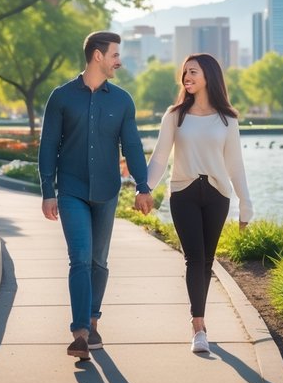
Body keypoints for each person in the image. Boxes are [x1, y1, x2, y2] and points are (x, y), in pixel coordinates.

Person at [39, 31, 154, 361]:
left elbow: (131, 146)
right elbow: (48, 146)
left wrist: (143, 186)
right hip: (71, 189)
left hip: (107, 192)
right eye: (115, 54)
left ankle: (93, 319)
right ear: (98, 56)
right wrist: (49, 191)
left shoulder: (122, 101)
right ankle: (80, 333)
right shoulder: (61, 97)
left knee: (98, 261)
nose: (120, 61)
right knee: (80, 257)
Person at [145, 53, 253, 354]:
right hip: (184, 193)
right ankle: (198, 327)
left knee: (207, 261)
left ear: (209, 76)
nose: (186, 77)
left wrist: (246, 206)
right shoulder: (175, 115)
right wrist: (144, 189)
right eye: (184, 73)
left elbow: (236, 165)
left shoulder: (227, 119)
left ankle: (199, 321)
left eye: (192, 72)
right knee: (194, 258)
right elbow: (159, 158)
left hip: (218, 195)